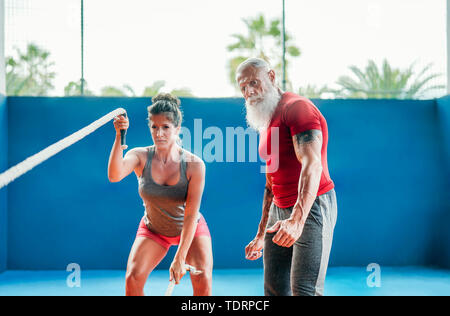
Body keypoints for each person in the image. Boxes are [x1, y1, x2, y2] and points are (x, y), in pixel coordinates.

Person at [236, 57, 337, 296]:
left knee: (304, 291)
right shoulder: (267, 121)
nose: (249, 91)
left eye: (253, 82)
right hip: (279, 209)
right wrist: (261, 233)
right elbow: (271, 181)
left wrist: (297, 221)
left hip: (311, 206)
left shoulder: (297, 107)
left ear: (271, 77)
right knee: (274, 290)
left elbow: (312, 164)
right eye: (243, 87)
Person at [108, 93, 213, 296]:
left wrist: (180, 257)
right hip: (154, 229)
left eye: (165, 127)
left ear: (177, 129)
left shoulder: (194, 165)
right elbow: (114, 175)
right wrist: (119, 136)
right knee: (133, 278)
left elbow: (191, 214)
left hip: (189, 229)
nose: (159, 133)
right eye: (154, 127)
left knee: (202, 279)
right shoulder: (139, 156)